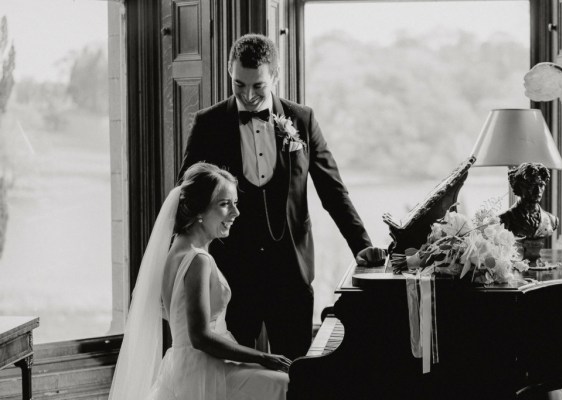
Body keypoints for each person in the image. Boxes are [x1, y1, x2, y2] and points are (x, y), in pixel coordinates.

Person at [178, 33, 385, 360]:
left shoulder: (302, 120)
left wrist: (361, 246)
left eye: (258, 86)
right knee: (233, 376)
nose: (247, 96)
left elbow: (333, 190)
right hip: (233, 274)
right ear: (229, 76)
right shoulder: (210, 124)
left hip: (290, 273)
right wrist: (183, 259)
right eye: (238, 84)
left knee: (297, 374)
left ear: (275, 77)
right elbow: (187, 194)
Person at [108, 162, 290, 400]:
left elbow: (173, 314)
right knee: (285, 384)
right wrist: (263, 357)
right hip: (204, 372)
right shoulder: (198, 259)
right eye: (225, 204)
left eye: (235, 203)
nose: (236, 213)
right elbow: (200, 337)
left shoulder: (175, 251)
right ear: (200, 211)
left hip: (183, 367)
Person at [499, 162, 559, 239]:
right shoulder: (504, 219)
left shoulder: (552, 220)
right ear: (519, 186)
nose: (538, 190)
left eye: (541, 185)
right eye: (532, 185)